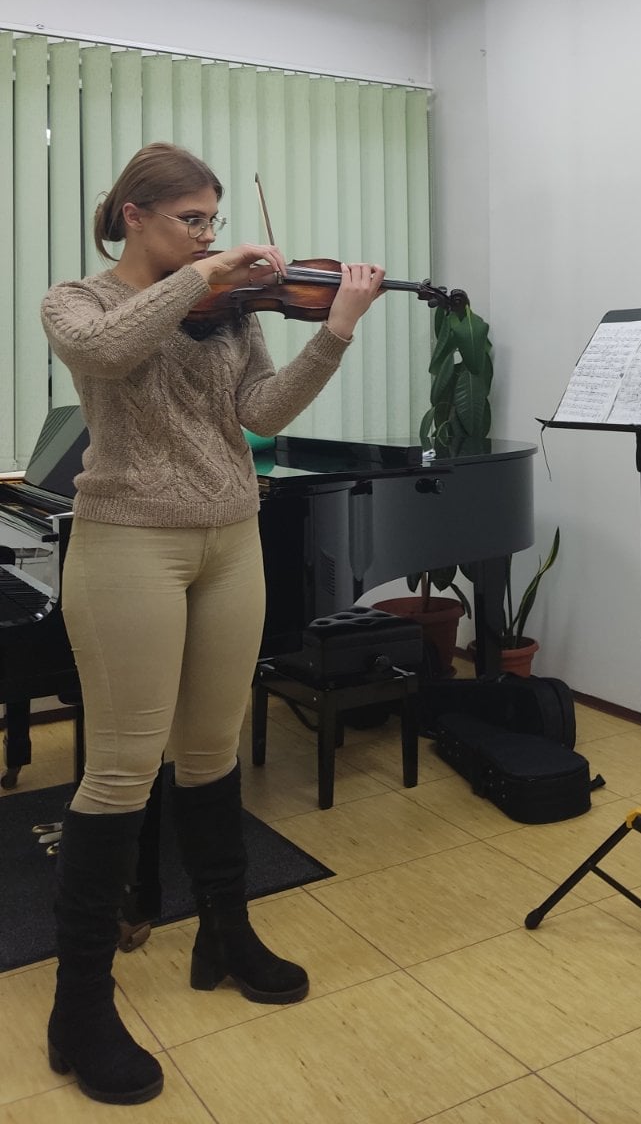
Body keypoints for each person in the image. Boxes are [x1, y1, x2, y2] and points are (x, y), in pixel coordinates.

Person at [39, 142, 385, 1106]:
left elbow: (260, 411)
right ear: (135, 215)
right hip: (127, 542)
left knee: (211, 750)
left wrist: (336, 332)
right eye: (191, 219)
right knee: (121, 767)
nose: (208, 236)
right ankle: (79, 1005)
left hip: (233, 537)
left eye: (213, 220)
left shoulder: (232, 310)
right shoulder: (77, 301)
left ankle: (225, 935)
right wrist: (204, 272)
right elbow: (108, 354)